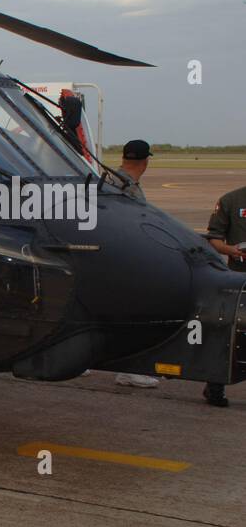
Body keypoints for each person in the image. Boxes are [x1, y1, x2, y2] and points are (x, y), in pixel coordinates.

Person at [113, 140, 160, 389]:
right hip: (123, 259)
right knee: (132, 311)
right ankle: (128, 369)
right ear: (145, 161)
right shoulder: (125, 187)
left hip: (110, 257)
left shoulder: (109, 180)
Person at [203, 182, 246, 407]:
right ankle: (214, 386)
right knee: (228, 337)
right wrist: (233, 251)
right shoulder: (231, 200)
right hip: (239, 282)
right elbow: (214, 239)